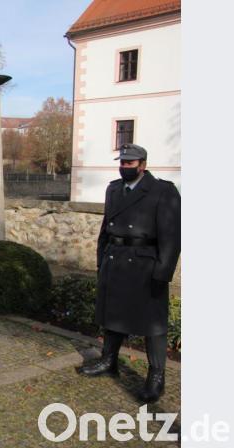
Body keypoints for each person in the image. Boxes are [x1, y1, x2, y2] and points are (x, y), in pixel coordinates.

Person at [77, 143, 181, 403]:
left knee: (153, 324)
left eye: (130, 163)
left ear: (142, 165)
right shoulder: (113, 188)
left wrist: (163, 273)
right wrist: (102, 259)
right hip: (116, 259)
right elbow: (105, 229)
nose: (124, 167)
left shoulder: (162, 191)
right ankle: (109, 360)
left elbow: (172, 237)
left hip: (146, 264)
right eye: (122, 163)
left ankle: (156, 376)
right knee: (113, 313)